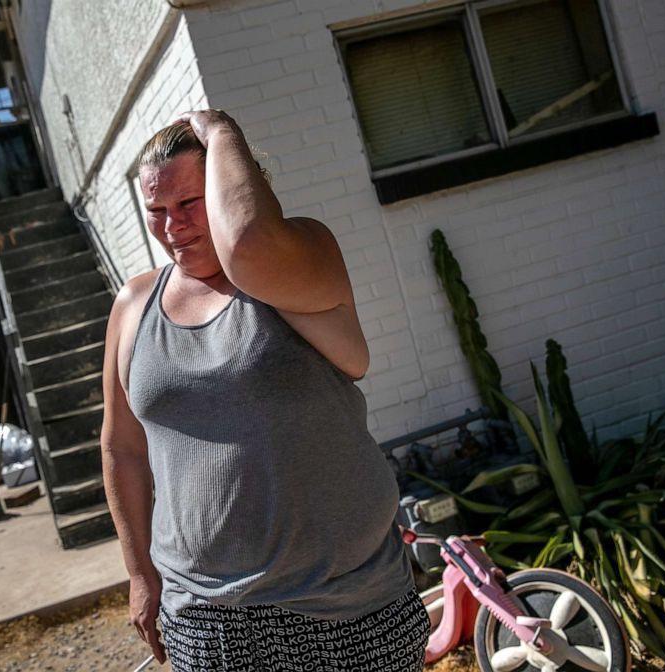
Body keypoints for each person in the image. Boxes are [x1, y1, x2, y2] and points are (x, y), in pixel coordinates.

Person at [101, 109, 430, 671]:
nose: (173, 227)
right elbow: (122, 447)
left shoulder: (298, 259)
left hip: (348, 608)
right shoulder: (133, 306)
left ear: (231, 185)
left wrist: (223, 132)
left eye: (189, 204)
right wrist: (139, 574)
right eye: (156, 212)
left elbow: (249, 242)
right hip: (207, 619)